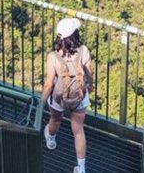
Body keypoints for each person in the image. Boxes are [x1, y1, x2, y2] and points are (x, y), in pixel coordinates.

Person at [41, 17, 94, 173]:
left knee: (55, 119)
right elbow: (89, 73)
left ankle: (50, 140)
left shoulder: (53, 56)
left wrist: (41, 102)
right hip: (79, 95)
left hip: (59, 97)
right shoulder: (83, 50)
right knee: (78, 130)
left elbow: (49, 83)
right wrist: (90, 86)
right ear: (75, 35)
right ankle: (81, 169)